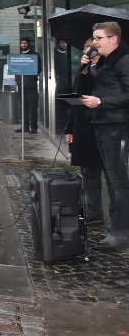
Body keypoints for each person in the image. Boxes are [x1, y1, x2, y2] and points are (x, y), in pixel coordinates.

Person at [80, 21, 129, 249]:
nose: (95, 42)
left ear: (114, 39)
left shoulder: (123, 61)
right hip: (101, 125)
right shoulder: (103, 62)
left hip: (116, 126)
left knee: (118, 181)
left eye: (99, 38)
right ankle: (116, 229)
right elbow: (86, 86)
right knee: (111, 178)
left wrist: (101, 102)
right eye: (94, 38)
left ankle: (121, 232)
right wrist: (85, 67)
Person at [65, 39, 105, 225]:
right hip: (83, 128)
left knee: (107, 175)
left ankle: (115, 217)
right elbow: (76, 98)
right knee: (89, 174)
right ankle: (93, 211)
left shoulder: (107, 69)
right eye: (85, 48)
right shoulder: (84, 70)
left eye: (91, 48)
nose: (87, 51)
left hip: (100, 126)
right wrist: (70, 128)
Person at [15, 38, 42, 134]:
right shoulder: (19, 56)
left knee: (32, 106)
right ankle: (25, 126)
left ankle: (33, 127)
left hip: (31, 85)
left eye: (25, 43)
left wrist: (32, 78)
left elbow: (38, 68)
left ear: (29, 44)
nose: (23, 44)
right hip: (21, 85)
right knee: (23, 107)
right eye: (22, 43)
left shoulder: (34, 55)